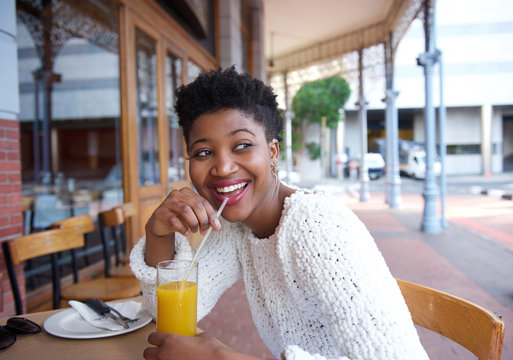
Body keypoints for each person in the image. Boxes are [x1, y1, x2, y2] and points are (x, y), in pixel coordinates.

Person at [130, 67, 429, 360]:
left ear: (272, 153)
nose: (222, 167)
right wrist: (158, 233)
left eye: (243, 145)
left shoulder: (316, 225)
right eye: (203, 152)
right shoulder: (239, 228)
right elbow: (165, 311)